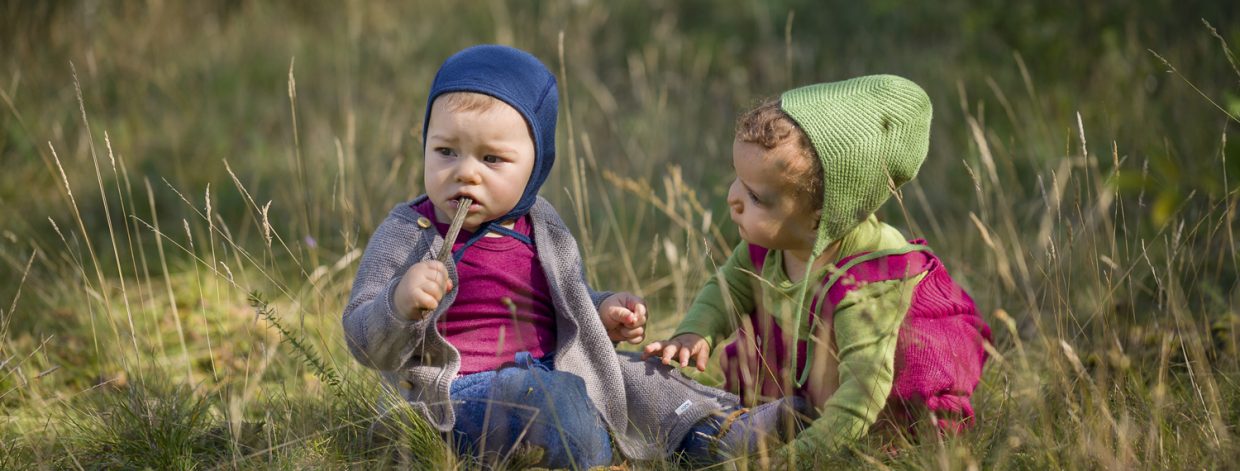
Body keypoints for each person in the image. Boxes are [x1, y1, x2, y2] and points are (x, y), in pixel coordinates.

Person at [342, 44, 752, 469]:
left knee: (638, 376)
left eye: (491, 158)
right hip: (454, 398)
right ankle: (596, 460)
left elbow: (564, 304)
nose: (465, 172)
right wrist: (398, 305)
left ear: (536, 166)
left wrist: (602, 312)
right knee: (541, 396)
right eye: (446, 151)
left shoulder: (541, 227)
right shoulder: (410, 230)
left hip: (553, 371)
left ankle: (719, 433)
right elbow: (362, 340)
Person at [644, 75, 993, 462]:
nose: (732, 199)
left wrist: (800, 458)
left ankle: (871, 441)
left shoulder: (861, 286)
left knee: (904, 390)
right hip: (819, 358)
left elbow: (864, 395)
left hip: (879, 386)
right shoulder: (771, 247)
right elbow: (729, 286)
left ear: (818, 219)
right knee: (762, 349)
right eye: (738, 180)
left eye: (756, 196)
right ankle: (786, 416)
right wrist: (696, 332)